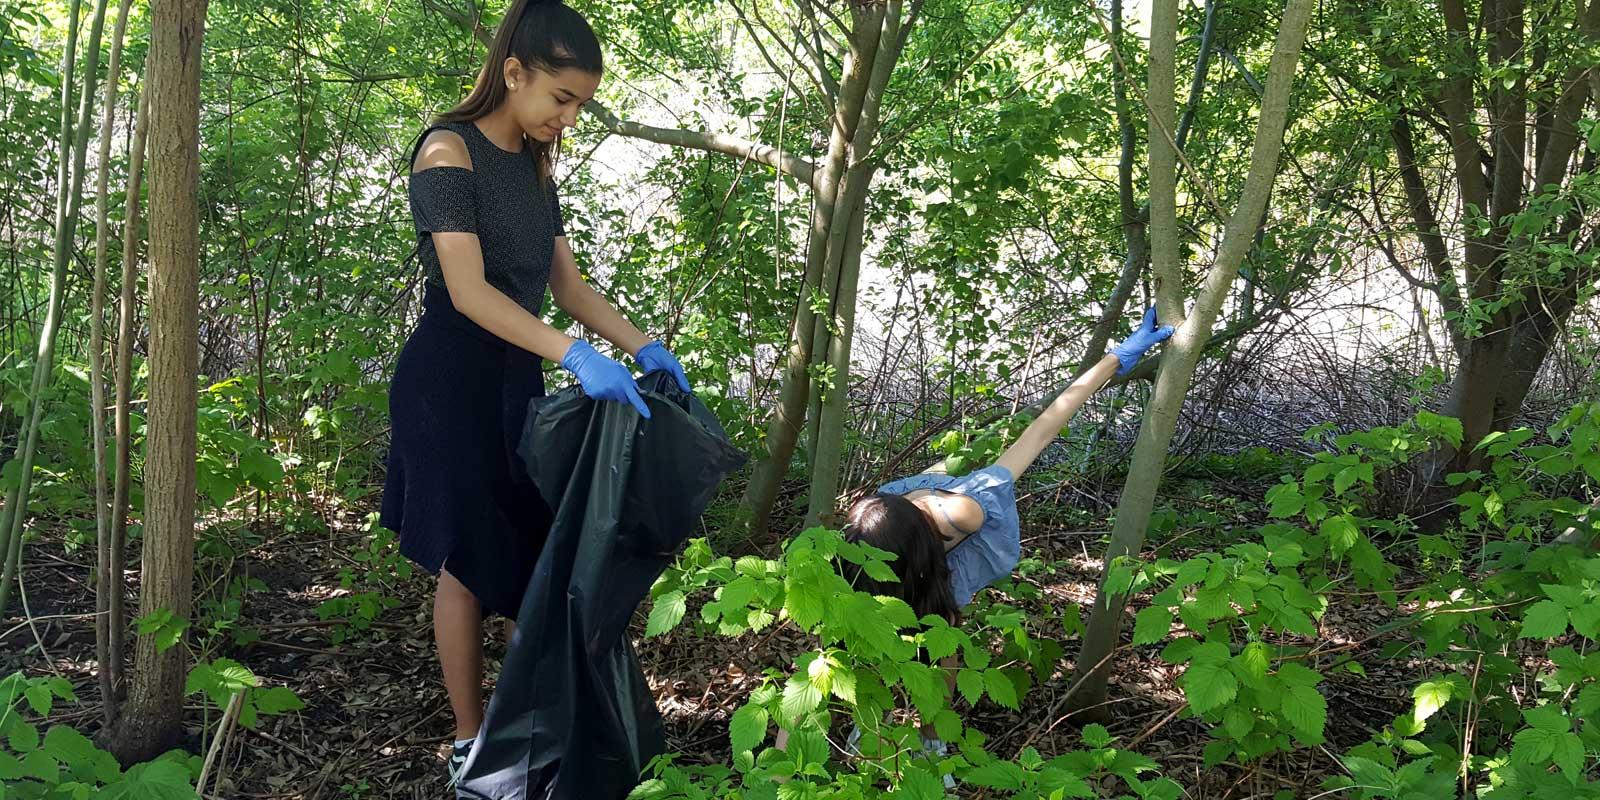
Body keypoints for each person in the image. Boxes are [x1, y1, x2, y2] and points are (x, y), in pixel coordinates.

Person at [376, 0, 692, 785]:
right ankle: (469, 744)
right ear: (513, 73)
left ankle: (534, 720)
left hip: (516, 380)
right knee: (465, 558)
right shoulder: (447, 153)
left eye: (581, 103)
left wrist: (643, 344)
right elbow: (470, 291)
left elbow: (569, 287)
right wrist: (577, 356)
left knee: (527, 547)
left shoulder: (534, 166)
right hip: (448, 382)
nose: (569, 118)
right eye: (561, 98)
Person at [829, 306, 1174, 776]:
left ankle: (934, 748)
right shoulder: (869, 530)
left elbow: (1045, 427)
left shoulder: (966, 511)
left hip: (936, 563)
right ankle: (871, 731)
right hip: (899, 561)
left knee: (942, 637)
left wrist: (1119, 357)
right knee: (873, 643)